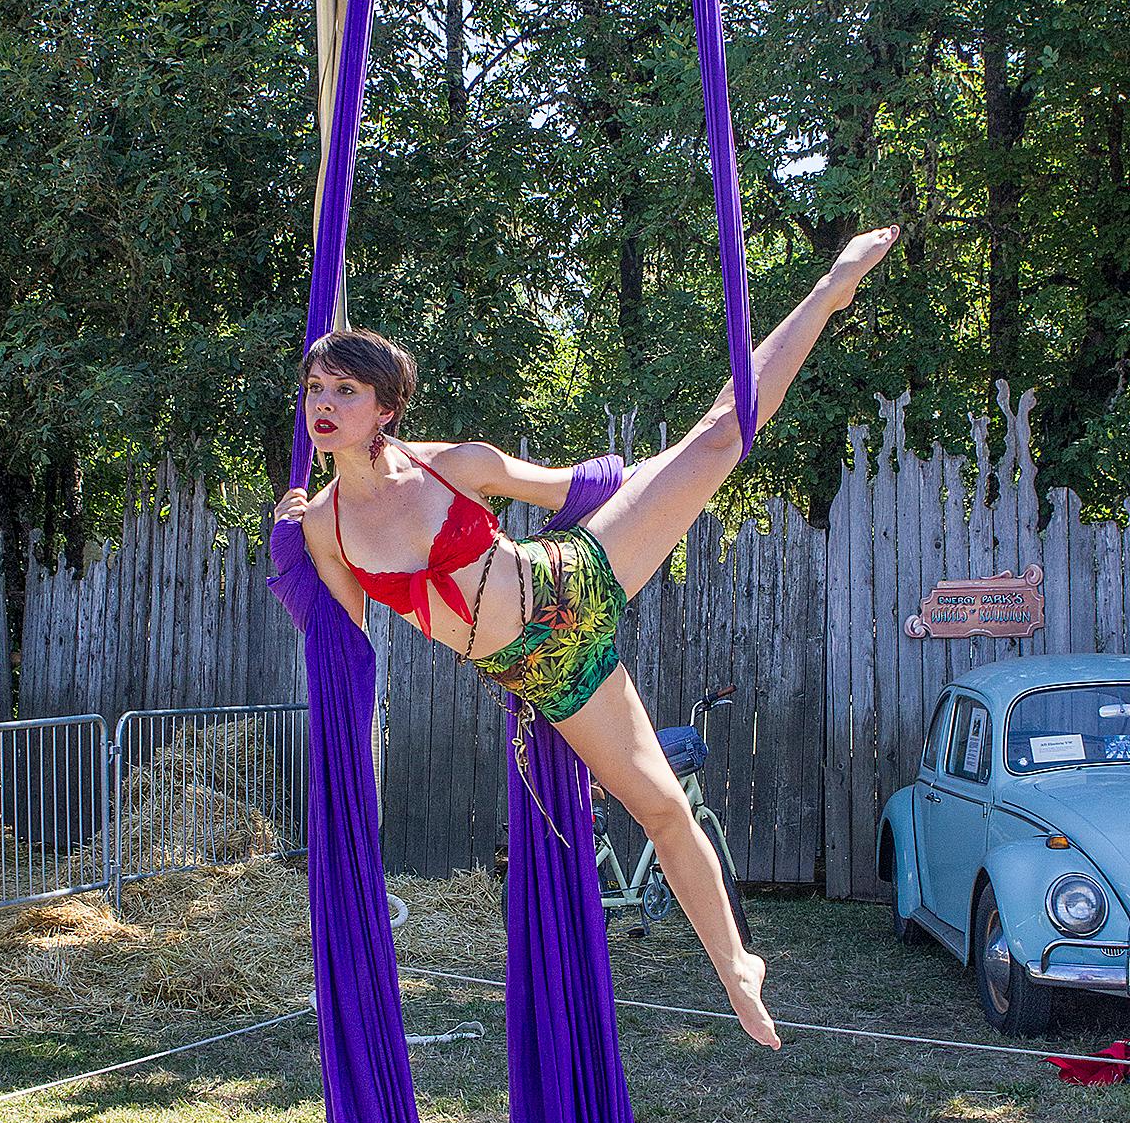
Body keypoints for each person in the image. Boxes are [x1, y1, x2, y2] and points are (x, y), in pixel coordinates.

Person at [275, 224, 899, 1055]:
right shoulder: (326, 526)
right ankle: (737, 965)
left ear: (385, 409)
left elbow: (570, 487)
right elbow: (341, 649)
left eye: (347, 390)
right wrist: (290, 560)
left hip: (577, 574)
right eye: (317, 387)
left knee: (720, 435)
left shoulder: (453, 465)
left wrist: (655, 476)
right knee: (662, 807)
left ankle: (832, 287)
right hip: (546, 669)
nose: (325, 403)